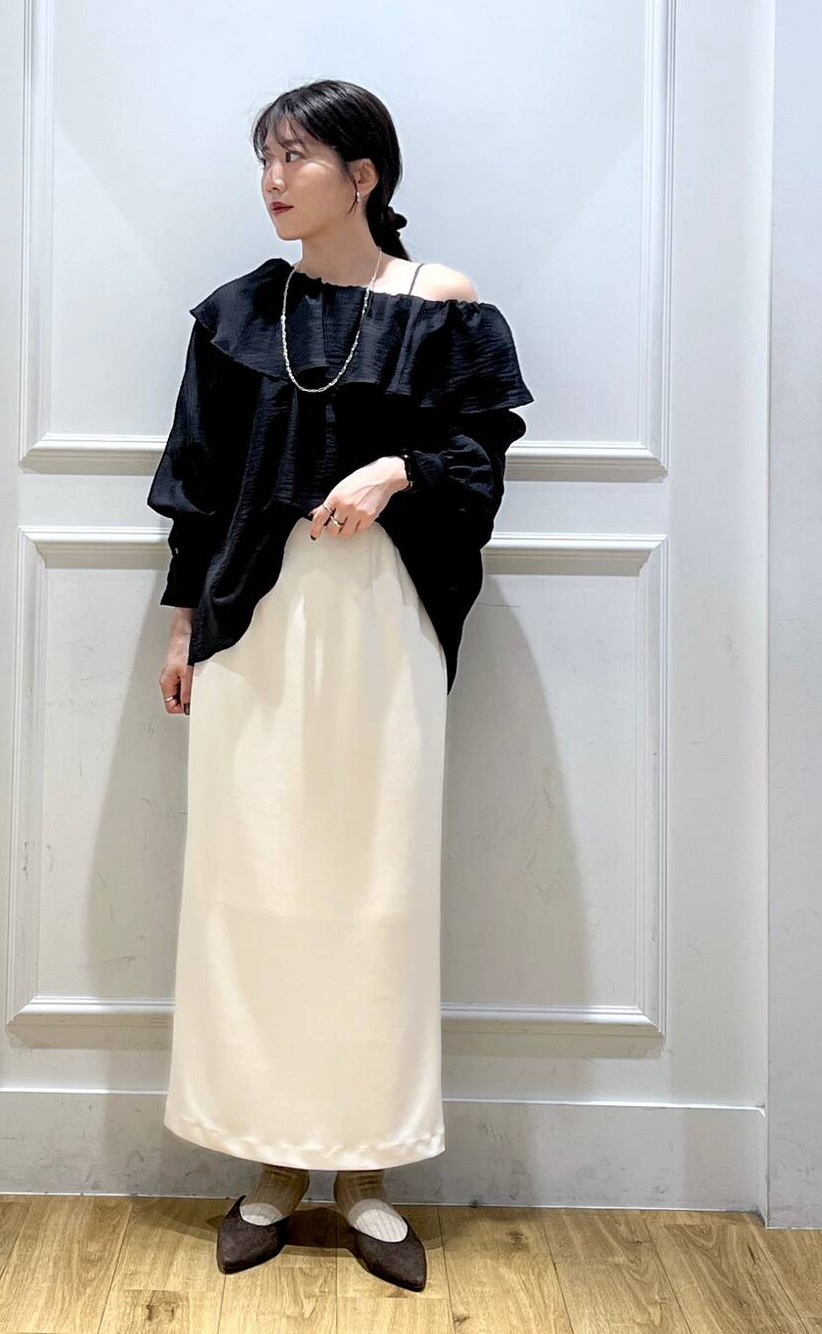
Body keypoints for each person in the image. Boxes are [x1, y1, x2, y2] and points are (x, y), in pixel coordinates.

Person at [147, 79, 534, 1292]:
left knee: (378, 886)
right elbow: (197, 486)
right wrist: (180, 630)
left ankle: (364, 1171)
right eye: (263, 157)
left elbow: (479, 454)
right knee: (251, 884)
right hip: (252, 624)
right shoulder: (234, 314)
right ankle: (270, 1163)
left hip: (381, 619)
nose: (272, 179)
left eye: (296, 156)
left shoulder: (442, 303)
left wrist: (393, 468)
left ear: (363, 174)